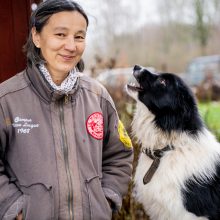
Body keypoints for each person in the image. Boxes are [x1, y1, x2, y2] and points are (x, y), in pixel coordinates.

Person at [0, 0, 133, 219]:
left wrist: (106, 198)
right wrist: (14, 207)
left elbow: (120, 153)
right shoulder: (7, 99)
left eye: (79, 37)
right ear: (37, 37)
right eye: (60, 35)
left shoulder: (98, 97)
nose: (71, 46)